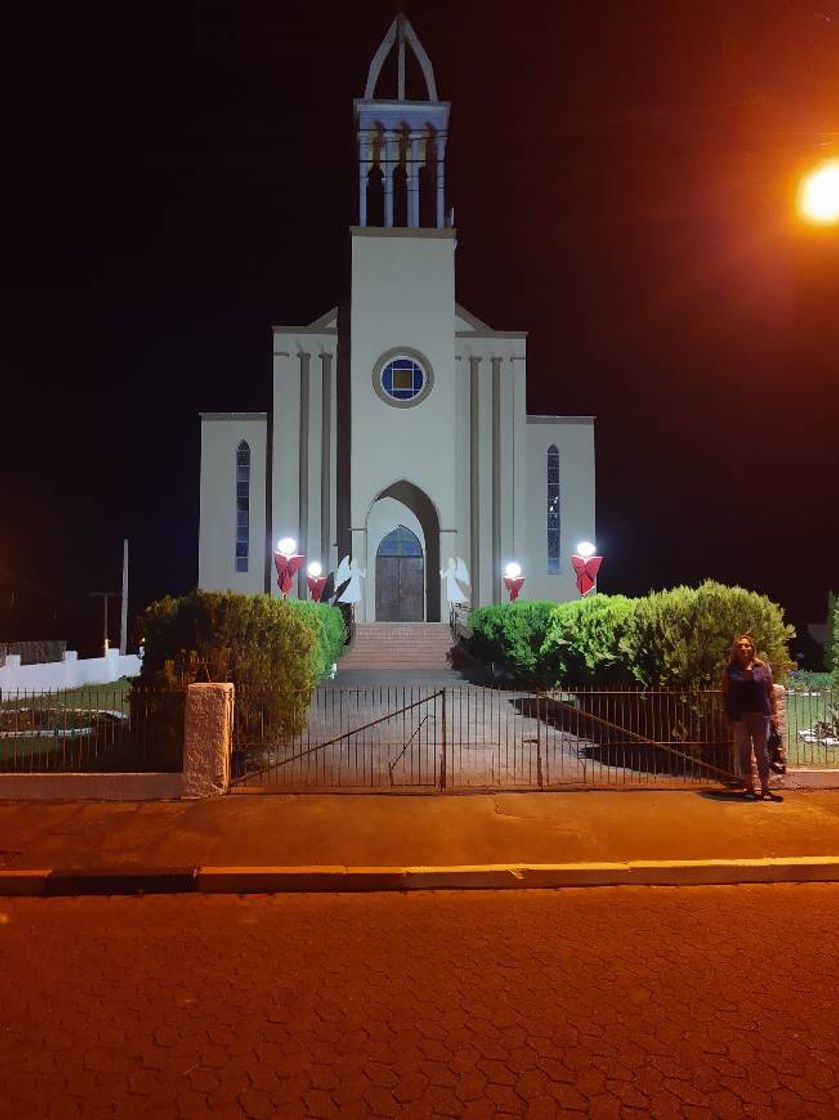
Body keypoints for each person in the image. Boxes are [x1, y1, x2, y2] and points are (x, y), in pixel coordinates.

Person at [720, 635, 781, 802]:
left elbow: (770, 692)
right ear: (735, 650)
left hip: (761, 716)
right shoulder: (730, 670)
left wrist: (774, 714)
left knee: (762, 753)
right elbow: (725, 695)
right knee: (744, 751)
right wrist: (727, 716)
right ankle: (749, 788)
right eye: (740, 646)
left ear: (752, 648)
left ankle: (765, 789)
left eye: (747, 645)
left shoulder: (762, 668)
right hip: (740, 717)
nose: (744, 648)